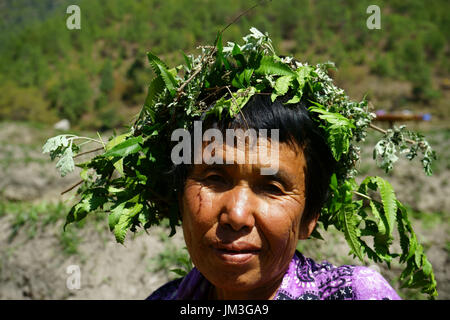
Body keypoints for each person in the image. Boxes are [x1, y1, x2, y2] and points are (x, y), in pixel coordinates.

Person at [147, 94, 401, 300]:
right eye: (215, 178)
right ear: (180, 198)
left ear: (309, 217)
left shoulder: (356, 295)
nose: (237, 216)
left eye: (271, 187)